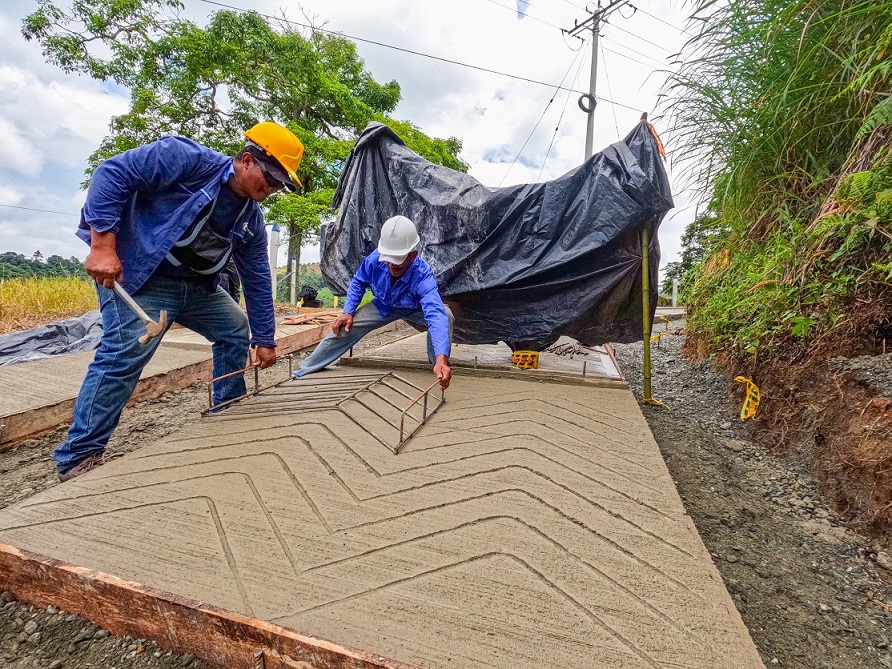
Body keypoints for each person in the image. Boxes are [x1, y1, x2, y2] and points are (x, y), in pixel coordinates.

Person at [54, 121, 304, 482]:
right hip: (144, 277)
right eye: (271, 178)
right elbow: (111, 173)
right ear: (248, 160)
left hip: (196, 287)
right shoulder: (185, 160)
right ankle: (79, 456)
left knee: (235, 329)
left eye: (281, 184)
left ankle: (228, 409)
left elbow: (258, 279)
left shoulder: (250, 219)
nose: (274, 188)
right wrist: (103, 246)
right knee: (124, 354)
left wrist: (265, 339)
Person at [294, 215, 453, 388]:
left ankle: (438, 367)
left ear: (412, 255)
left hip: (415, 308)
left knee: (445, 315)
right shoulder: (374, 259)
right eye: (388, 261)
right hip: (384, 306)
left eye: (397, 263)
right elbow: (358, 281)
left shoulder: (423, 275)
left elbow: (435, 315)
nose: (391, 266)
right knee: (345, 326)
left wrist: (441, 358)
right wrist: (348, 311)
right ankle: (306, 368)